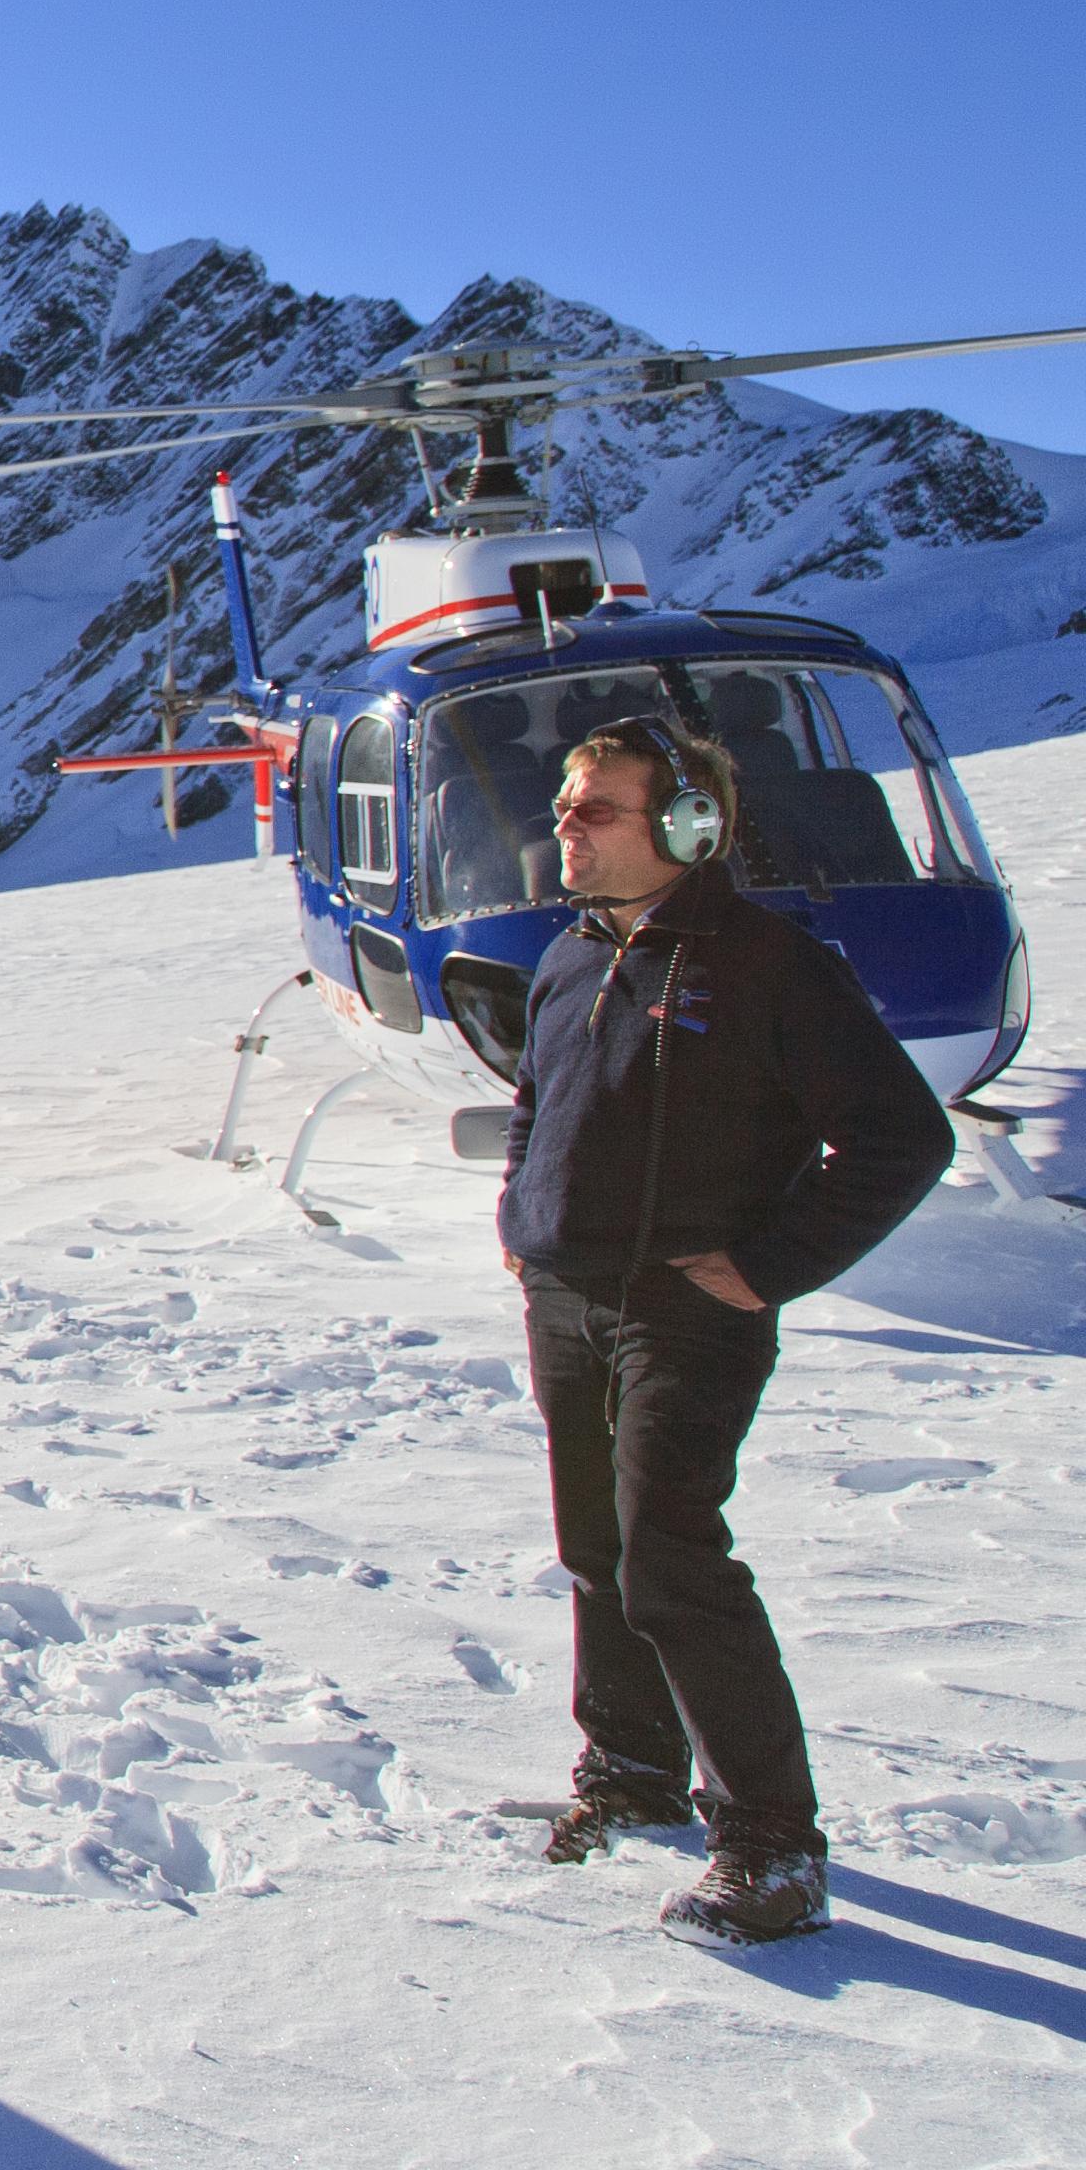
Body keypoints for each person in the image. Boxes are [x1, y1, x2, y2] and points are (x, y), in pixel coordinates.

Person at [501, 714, 952, 1944]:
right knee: (597, 1549)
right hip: (569, 1301)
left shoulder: (769, 966)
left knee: (672, 1561)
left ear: (688, 824)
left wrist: (764, 1266)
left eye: (596, 807)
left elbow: (905, 1140)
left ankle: (771, 1847)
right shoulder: (571, 956)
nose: (565, 827)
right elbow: (536, 1101)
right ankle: (633, 1774)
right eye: (565, 804)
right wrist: (521, 1218)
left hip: (686, 1316)